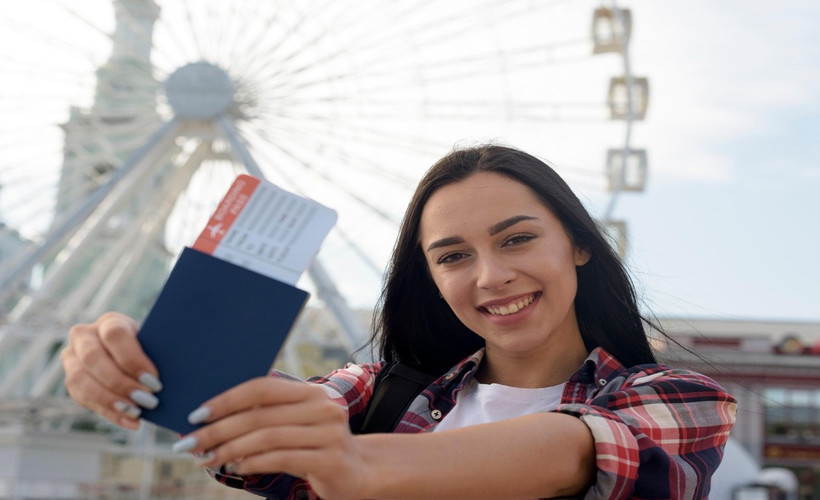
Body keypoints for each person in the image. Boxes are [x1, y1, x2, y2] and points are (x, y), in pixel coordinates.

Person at [62, 144, 737, 499]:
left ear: (580, 245)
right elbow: (251, 413)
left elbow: (575, 451)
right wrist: (135, 364)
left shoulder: (682, 401)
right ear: (431, 278)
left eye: (517, 239)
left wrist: (359, 467)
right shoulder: (375, 393)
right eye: (453, 256)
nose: (490, 276)